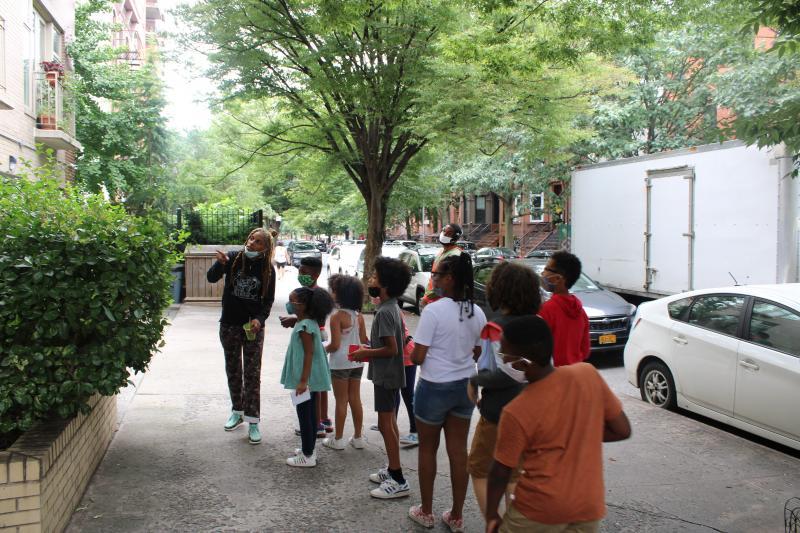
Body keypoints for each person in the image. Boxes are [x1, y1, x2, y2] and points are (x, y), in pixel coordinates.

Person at [485, 315, 632, 533]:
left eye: (506, 354)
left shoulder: (516, 411)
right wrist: (581, 432)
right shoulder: (587, 374)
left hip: (538, 511)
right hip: (588, 505)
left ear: (524, 361)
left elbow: (500, 472)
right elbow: (622, 429)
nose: (504, 361)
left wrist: (491, 514)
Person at [407, 253, 486, 531]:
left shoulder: (434, 311)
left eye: (438, 275)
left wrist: (410, 346)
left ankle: (426, 511)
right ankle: (456, 515)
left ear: (450, 279)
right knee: (458, 452)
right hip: (465, 385)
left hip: (434, 386)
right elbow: (477, 351)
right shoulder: (477, 312)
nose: (434, 279)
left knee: (427, 449)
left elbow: (417, 357)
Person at [466, 262, 541, 517]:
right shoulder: (538, 324)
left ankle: (494, 524)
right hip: (532, 413)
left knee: (480, 469)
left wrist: (476, 381)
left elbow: (507, 372)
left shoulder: (496, 327)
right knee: (514, 474)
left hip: (500, 414)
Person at [349, 257, 412, 499]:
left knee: (386, 425)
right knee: (390, 424)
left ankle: (397, 478)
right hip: (389, 374)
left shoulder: (386, 312)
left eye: (374, 277)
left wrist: (366, 352)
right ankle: (392, 467)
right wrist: (368, 345)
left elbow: (392, 349)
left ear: (385, 285)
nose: (370, 280)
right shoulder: (390, 306)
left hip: (387, 375)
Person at [206, 228, 276, 445]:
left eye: (257, 242)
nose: (251, 243)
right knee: (234, 370)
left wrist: (259, 319)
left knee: (253, 374)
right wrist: (220, 263)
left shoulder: (268, 270)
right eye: (251, 239)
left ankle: (253, 420)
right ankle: (237, 411)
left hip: (252, 328)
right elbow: (211, 278)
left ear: (265, 248)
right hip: (229, 325)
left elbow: (268, 301)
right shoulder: (234, 258)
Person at [280, 286, 335, 467]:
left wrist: (303, 381)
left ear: (302, 306)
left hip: (307, 379)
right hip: (312, 378)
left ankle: (307, 454)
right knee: (311, 414)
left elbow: (309, 353)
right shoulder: (309, 322)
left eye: (292, 301)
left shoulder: (305, 326)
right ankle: (309, 448)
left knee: (305, 415)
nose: (289, 304)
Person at [280, 256, 331, 437]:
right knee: (314, 385)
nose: (301, 274)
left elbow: (316, 320)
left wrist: (295, 320)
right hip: (307, 334)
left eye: (304, 272)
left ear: (316, 274)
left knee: (315, 384)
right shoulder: (303, 292)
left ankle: (317, 422)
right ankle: (316, 421)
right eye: (300, 271)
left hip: (313, 337)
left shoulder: (316, 296)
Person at [323, 275, 368, 450]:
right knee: (355, 399)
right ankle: (358, 437)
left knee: (341, 400)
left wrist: (322, 349)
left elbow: (334, 345)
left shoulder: (337, 317)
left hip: (340, 362)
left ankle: (339, 439)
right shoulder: (359, 316)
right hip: (357, 359)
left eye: (333, 290)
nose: (331, 293)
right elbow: (364, 338)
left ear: (341, 294)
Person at [538, 251, 590, 366]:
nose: (543, 273)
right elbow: (585, 351)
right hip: (574, 374)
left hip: (553, 376)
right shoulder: (581, 312)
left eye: (547, 269)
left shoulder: (546, 310)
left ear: (558, 278)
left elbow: (538, 350)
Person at [420, 224, 463, 308]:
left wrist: (427, 298)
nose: (444, 234)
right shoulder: (442, 251)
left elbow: (445, 281)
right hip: (433, 300)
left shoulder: (455, 255)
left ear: (455, 237)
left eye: (448, 233)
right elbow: (435, 277)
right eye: (444, 231)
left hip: (440, 300)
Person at [397, 315, 419, 447]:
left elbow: (397, 338)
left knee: (407, 393)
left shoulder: (390, 309)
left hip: (407, 355)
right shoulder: (387, 308)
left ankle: (415, 431)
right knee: (396, 391)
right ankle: (388, 423)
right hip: (403, 355)